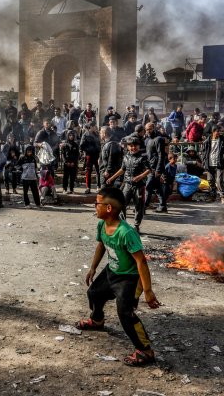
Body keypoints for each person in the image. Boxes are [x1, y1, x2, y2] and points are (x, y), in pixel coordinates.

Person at [76, 187, 161, 366]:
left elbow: (141, 262)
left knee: (125, 313)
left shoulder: (126, 232)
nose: (94, 206)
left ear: (108, 208)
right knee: (94, 293)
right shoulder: (102, 225)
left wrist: (148, 291)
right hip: (112, 271)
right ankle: (97, 320)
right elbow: (101, 245)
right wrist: (93, 267)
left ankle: (145, 351)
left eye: (97, 203)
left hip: (129, 278)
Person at [106, 137, 150, 231]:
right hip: (127, 185)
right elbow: (122, 169)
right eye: (131, 146)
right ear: (127, 146)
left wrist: (140, 177)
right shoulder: (126, 156)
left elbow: (148, 170)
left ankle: (136, 226)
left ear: (139, 146)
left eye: (135, 146)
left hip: (139, 186)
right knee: (121, 204)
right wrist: (112, 178)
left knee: (139, 206)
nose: (133, 148)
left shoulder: (143, 157)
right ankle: (123, 224)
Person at [202, 125, 224, 204]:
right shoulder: (207, 141)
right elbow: (203, 152)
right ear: (213, 132)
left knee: (219, 180)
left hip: (219, 163)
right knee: (210, 180)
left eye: (219, 132)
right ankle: (213, 196)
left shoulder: (223, 140)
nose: (218, 133)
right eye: (217, 131)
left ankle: (222, 197)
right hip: (209, 163)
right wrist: (204, 162)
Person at [144, 123, 168, 213]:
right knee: (157, 188)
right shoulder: (147, 140)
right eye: (146, 129)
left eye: (149, 129)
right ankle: (162, 205)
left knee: (148, 187)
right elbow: (148, 154)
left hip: (155, 168)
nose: (148, 131)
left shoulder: (159, 139)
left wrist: (158, 170)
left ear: (154, 128)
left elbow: (161, 155)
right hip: (150, 167)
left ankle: (144, 206)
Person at [80, 123, 102, 193]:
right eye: (95, 127)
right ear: (91, 127)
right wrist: (88, 150)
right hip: (89, 155)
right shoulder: (85, 135)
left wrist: (98, 150)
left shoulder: (97, 134)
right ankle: (88, 187)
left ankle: (98, 186)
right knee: (88, 171)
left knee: (98, 171)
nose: (96, 128)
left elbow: (99, 144)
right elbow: (81, 146)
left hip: (97, 155)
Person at [60, 129, 81, 193]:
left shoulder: (76, 145)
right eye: (70, 135)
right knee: (65, 177)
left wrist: (73, 162)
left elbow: (77, 155)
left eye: (72, 135)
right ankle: (64, 189)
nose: (71, 136)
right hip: (66, 163)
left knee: (72, 177)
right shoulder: (65, 145)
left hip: (73, 163)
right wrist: (66, 162)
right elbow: (63, 154)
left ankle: (71, 189)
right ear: (67, 136)